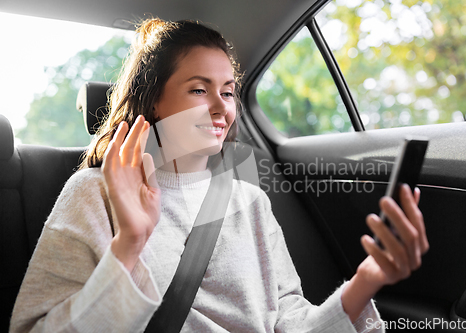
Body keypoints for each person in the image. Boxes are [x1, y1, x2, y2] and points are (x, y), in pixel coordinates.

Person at [10, 18, 429, 332]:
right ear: (154, 101)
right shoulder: (94, 194)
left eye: (227, 91)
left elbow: (291, 322)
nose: (221, 107)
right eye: (199, 89)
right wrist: (129, 245)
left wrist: (369, 278)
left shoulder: (251, 202)